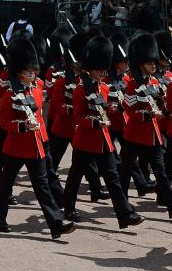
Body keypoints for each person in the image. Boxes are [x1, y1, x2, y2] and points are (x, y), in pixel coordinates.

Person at [0, 37, 74, 238]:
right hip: (16, 146)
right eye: (28, 70)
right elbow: (4, 122)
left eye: (33, 70)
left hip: (36, 144)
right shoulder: (10, 92)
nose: (33, 73)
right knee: (6, 184)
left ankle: (55, 223)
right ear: (18, 70)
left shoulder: (37, 86)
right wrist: (22, 126)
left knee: (42, 186)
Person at [61, 35, 144, 228]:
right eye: (99, 69)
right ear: (89, 68)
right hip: (86, 139)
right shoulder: (81, 89)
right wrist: (95, 122)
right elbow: (78, 117)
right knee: (75, 175)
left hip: (103, 141)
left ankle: (124, 215)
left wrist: (111, 110)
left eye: (103, 69)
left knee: (113, 178)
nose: (102, 72)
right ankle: (69, 207)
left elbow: (105, 108)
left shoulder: (104, 87)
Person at [119, 32, 172, 218]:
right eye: (149, 63)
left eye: (154, 63)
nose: (153, 66)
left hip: (152, 135)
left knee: (161, 173)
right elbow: (129, 109)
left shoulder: (155, 82)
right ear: (140, 65)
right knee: (124, 173)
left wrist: (166, 108)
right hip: (135, 135)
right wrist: (148, 115)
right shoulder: (132, 85)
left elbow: (162, 103)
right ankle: (122, 205)